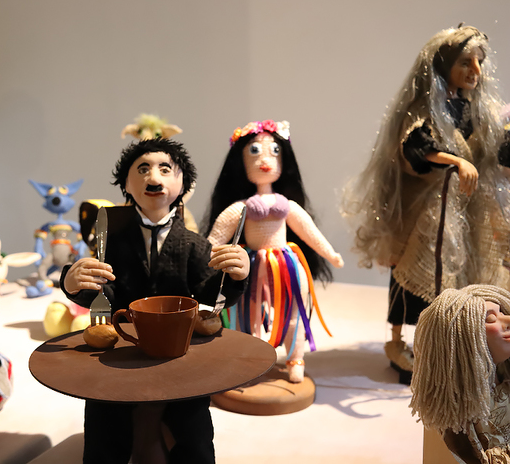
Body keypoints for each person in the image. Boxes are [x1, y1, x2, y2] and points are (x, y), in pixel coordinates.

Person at [61, 138, 250, 464]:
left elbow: (209, 294)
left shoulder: (192, 244)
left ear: (183, 184)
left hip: (178, 352)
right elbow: (104, 293)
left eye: (165, 169)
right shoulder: (111, 240)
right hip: (123, 350)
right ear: (126, 184)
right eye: (143, 169)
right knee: (103, 418)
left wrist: (235, 276)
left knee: (195, 429)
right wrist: (72, 282)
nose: (154, 177)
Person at [341, 25, 510, 382]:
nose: (475, 71)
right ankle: (400, 342)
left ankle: (459, 344)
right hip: (430, 211)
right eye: (465, 62)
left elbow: (497, 152)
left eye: (479, 62)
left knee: (466, 275)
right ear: (444, 65)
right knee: (417, 272)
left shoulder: (481, 111)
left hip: (468, 211)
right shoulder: (427, 108)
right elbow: (415, 146)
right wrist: (455, 161)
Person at [203, 119, 343, 383]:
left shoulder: (287, 206)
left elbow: (309, 232)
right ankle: (249, 359)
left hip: (287, 267)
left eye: (274, 151)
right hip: (250, 267)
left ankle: (295, 358)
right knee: (248, 313)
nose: (265, 160)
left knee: (294, 313)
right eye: (254, 151)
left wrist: (330, 254)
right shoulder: (241, 208)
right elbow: (215, 237)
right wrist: (202, 257)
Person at [409, 285, 510, 463]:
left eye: (502, 312)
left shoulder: (505, 378)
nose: (507, 319)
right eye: (491, 319)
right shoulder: (458, 417)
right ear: (464, 339)